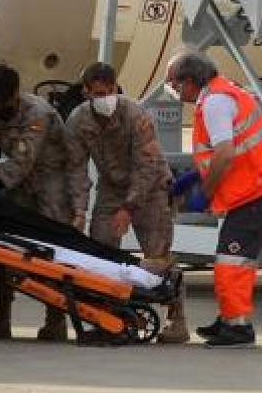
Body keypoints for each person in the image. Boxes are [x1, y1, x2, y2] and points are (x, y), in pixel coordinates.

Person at [165, 49, 262, 348]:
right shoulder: (223, 92)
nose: (173, 90)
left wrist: (204, 194)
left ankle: (237, 328)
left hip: (256, 189)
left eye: (174, 83)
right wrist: (192, 178)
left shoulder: (215, 103)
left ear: (191, 81)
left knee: (232, 259)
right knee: (235, 257)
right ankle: (230, 319)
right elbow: (220, 150)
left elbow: (225, 153)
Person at [66, 62, 189, 344]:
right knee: (101, 253)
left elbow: (146, 166)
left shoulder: (136, 115)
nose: (106, 98)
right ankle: (107, 316)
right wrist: (79, 210)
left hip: (151, 188)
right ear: (85, 92)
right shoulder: (78, 120)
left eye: (110, 91)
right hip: (111, 189)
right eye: (98, 93)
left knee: (158, 256)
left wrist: (128, 208)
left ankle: (176, 319)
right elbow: (76, 169)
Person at [0, 64, 76, 341]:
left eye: (2, 102)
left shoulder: (36, 114)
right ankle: (0, 317)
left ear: (15, 93)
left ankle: (56, 320)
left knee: (52, 251)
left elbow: (20, 163)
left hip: (50, 183)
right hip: (19, 186)